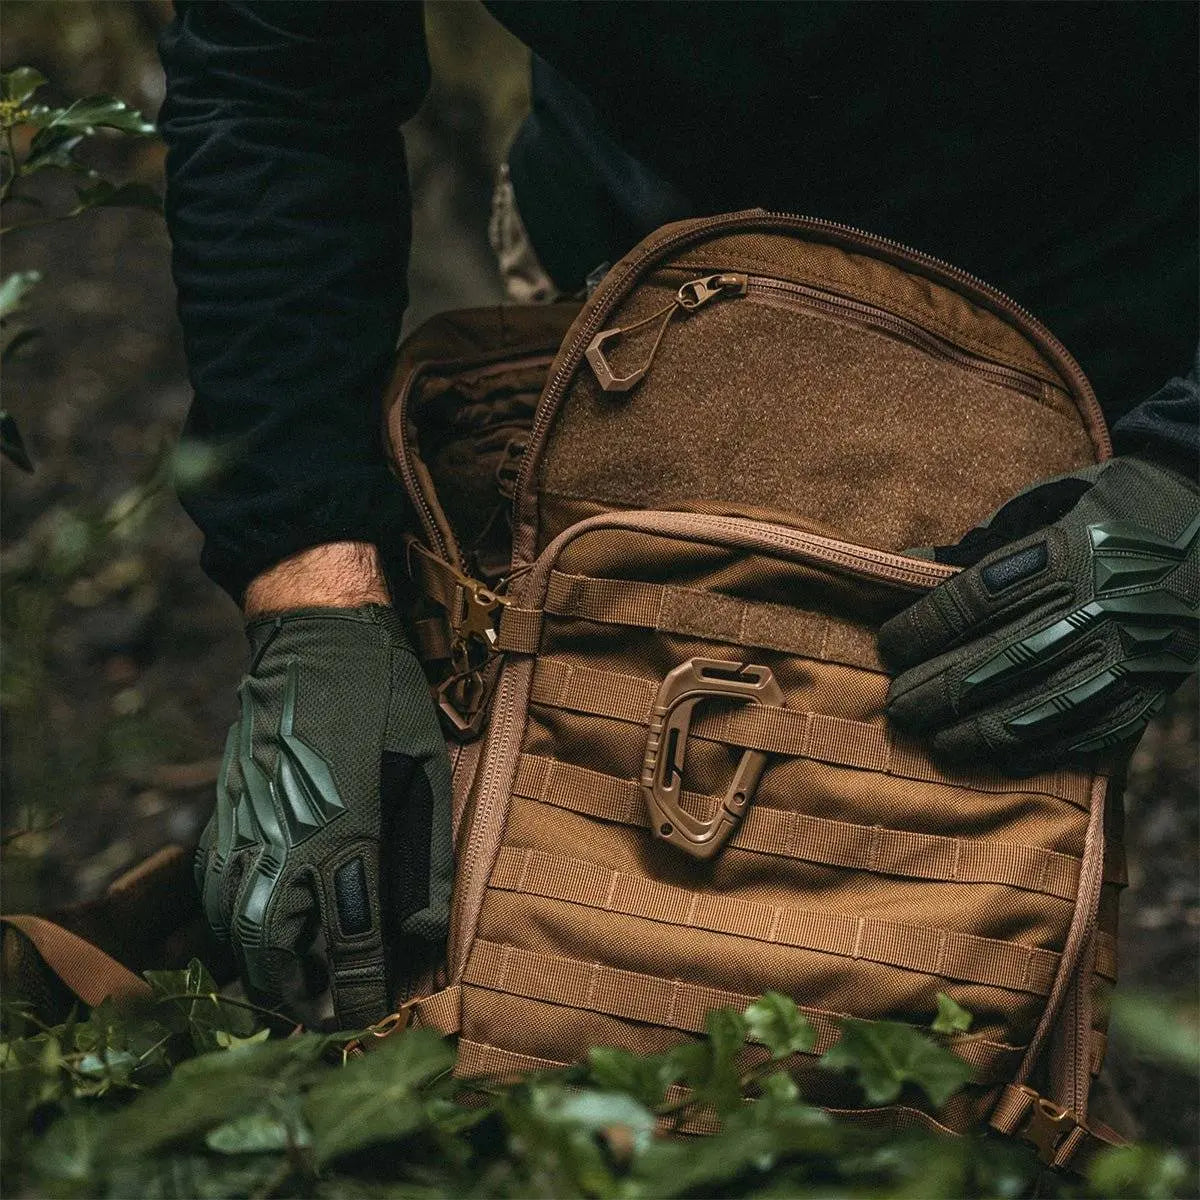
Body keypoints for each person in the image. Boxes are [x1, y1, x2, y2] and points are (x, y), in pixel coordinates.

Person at [157, 2, 1199, 1028]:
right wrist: (310, 591)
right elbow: (273, 79)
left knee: (990, 839)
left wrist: (1184, 474)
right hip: (628, 266)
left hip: (1092, 303)